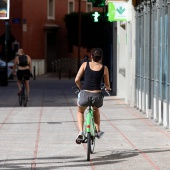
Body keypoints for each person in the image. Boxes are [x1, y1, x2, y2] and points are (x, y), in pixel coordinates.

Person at [75, 48, 111, 144]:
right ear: (100, 58)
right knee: (96, 109)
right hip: (97, 96)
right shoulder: (104, 68)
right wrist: (108, 88)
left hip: (84, 94)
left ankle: (81, 132)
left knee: (80, 111)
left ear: (91, 56)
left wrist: (80, 88)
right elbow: (107, 84)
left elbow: (76, 79)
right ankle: (98, 131)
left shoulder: (85, 64)